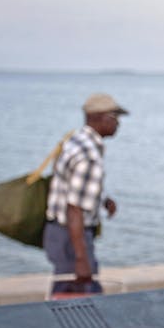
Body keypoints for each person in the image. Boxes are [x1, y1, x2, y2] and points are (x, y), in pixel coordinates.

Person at [43, 93, 128, 294]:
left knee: (69, 296)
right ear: (102, 117)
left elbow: (70, 184)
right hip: (72, 237)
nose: (118, 124)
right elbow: (74, 208)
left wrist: (104, 200)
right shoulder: (90, 156)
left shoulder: (75, 140)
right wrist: (81, 258)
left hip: (58, 233)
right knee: (81, 300)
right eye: (116, 118)